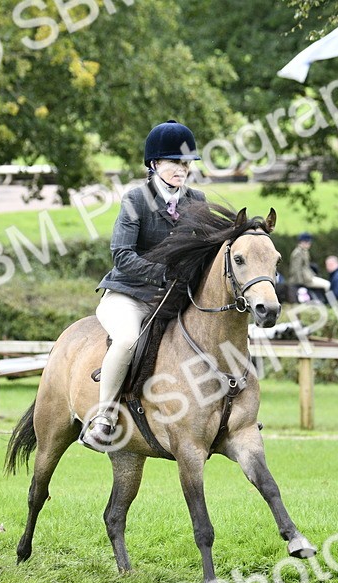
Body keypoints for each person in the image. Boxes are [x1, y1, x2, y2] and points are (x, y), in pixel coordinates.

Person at [81, 120, 205, 451]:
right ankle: (104, 417)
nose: (182, 169)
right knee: (126, 340)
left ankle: (232, 412)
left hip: (175, 298)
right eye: (174, 162)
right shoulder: (136, 199)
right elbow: (122, 255)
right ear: (154, 163)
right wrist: (163, 275)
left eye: (186, 163)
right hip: (129, 295)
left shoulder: (197, 200)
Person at [287, 233, 330, 301]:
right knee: (327, 284)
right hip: (304, 280)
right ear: (303, 242)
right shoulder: (298, 253)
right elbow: (296, 269)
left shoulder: (304, 251)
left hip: (307, 277)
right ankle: (329, 303)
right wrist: (300, 283)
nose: (309, 244)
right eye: (308, 242)